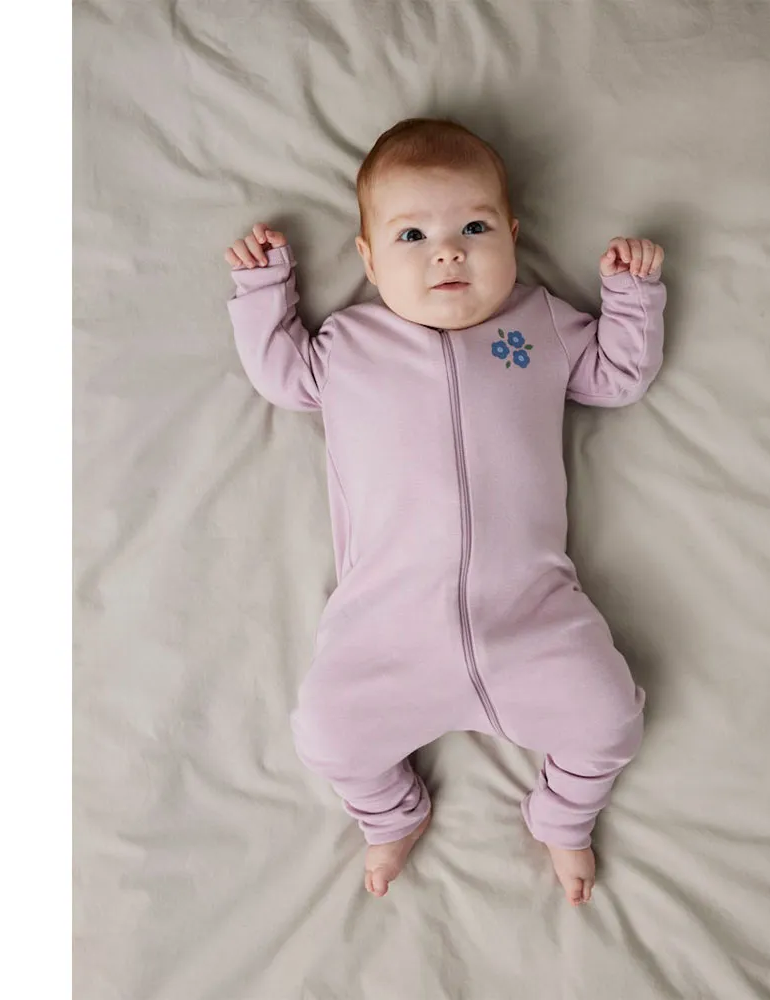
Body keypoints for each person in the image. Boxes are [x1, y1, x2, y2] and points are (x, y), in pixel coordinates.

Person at [224, 118, 666, 906]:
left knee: (611, 720)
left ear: (513, 235)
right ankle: (391, 812)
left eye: (475, 228)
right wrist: (264, 289)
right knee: (324, 733)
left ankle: (563, 815)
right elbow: (281, 376)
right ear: (368, 259)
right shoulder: (348, 342)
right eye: (412, 235)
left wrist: (631, 298)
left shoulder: (541, 324)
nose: (448, 252)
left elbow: (618, 376)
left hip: (530, 613)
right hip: (384, 627)